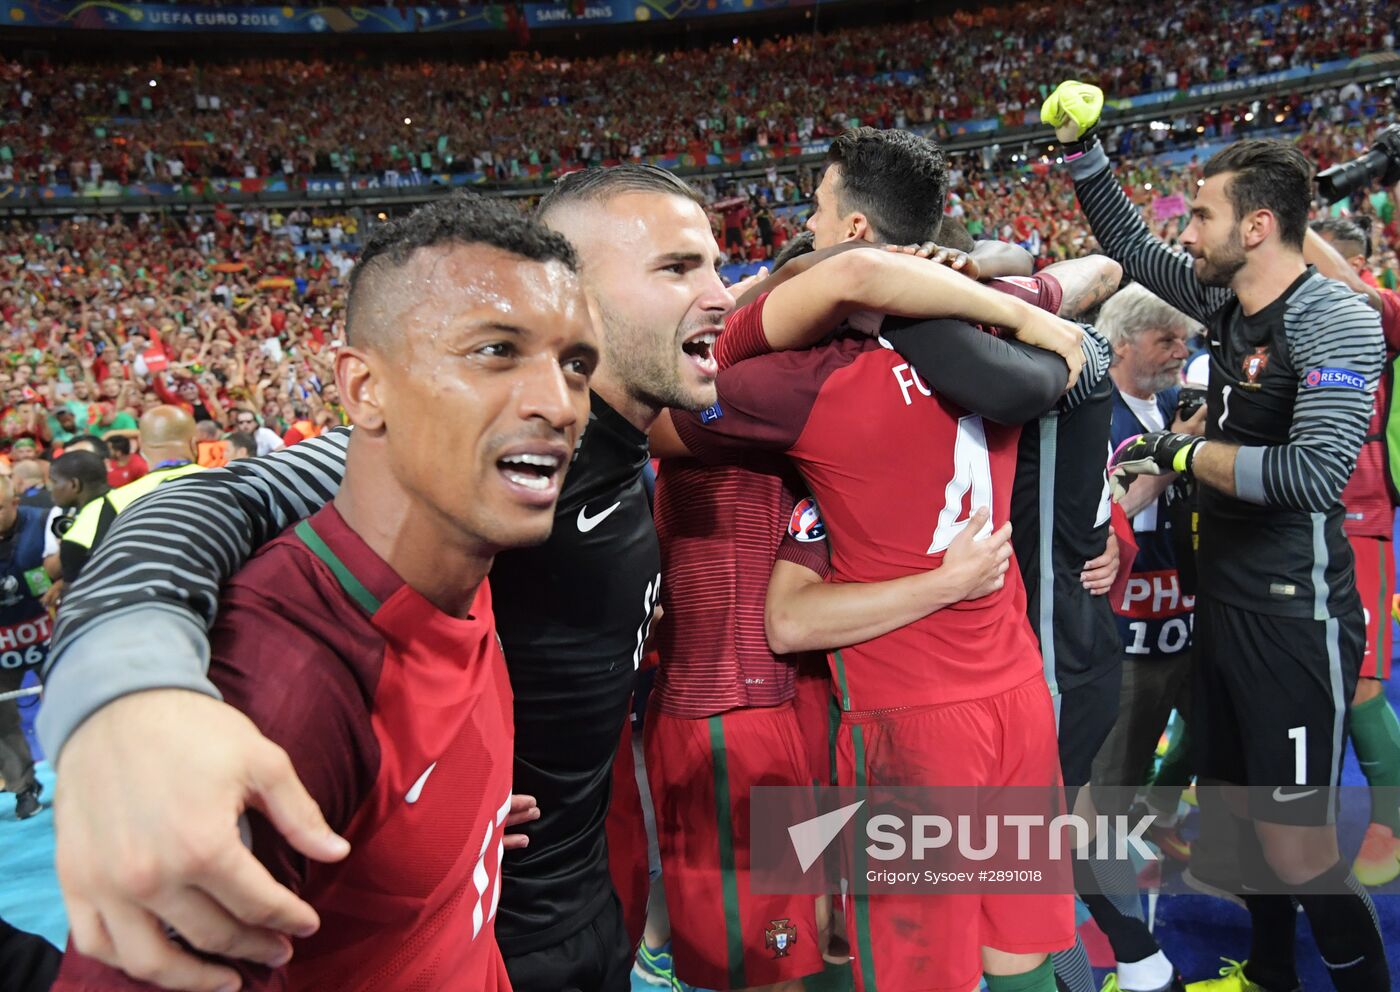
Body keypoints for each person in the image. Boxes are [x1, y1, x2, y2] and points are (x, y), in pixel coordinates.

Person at [38, 163, 734, 992]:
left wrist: (466, 810)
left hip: (575, 899)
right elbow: (224, 497)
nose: (722, 295)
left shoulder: (559, 487)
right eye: (678, 267)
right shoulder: (458, 484)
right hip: (526, 927)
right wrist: (125, 686)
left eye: (573, 365)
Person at [655, 126, 1083, 992]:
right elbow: (1089, 273)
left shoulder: (809, 380)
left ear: (853, 232)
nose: (806, 227)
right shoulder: (996, 340)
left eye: (815, 210)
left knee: (916, 972)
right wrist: (1028, 306)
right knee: (1018, 955)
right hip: (1015, 689)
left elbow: (662, 419)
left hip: (909, 718)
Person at [1044, 80, 1389, 990]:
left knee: (1300, 848)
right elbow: (1130, 248)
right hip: (1223, 611)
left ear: (1259, 226)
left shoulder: (1334, 318)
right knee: (1238, 826)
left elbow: (1312, 474)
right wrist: (1083, 151)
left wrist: (1180, 453)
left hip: (1294, 618)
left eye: (1201, 215)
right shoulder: (1227, 303)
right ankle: (1269, 975)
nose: (1187, 232)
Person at [1090, 284, 1204, 862]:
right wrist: (1181, 451)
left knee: (1223, 732)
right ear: (1122, 344)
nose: (1182, 351)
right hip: (1125, 634)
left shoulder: (1174, 402)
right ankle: (1100, 890)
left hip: (1186, 619)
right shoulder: (1090, 415)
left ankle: (1158, 811)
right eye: (1166, 340)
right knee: (1112, 775)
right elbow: (1109, 511)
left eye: (1184, 338)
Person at [1303, 217, 1400, 886]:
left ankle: (1390, 817)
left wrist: (1289, 217)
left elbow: (1357, 294)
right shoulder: (1290, 316)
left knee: (1361, 676)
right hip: (1293, 513)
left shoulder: (1380, 312)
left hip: (1362, 515)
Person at [59, 406, 204, 583]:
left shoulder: (110, 502)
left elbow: (74, 555)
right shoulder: (227, 482)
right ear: (194, 443)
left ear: (140, 444)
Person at [0, 473, 60, 820]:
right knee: (1, 717)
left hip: (48, 633)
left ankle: (82, 773)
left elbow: (72, 564)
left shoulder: (46, 520)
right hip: (3, 641)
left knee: (70, 703)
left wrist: (60, 581)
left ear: (16, 503)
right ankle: (23, 787)